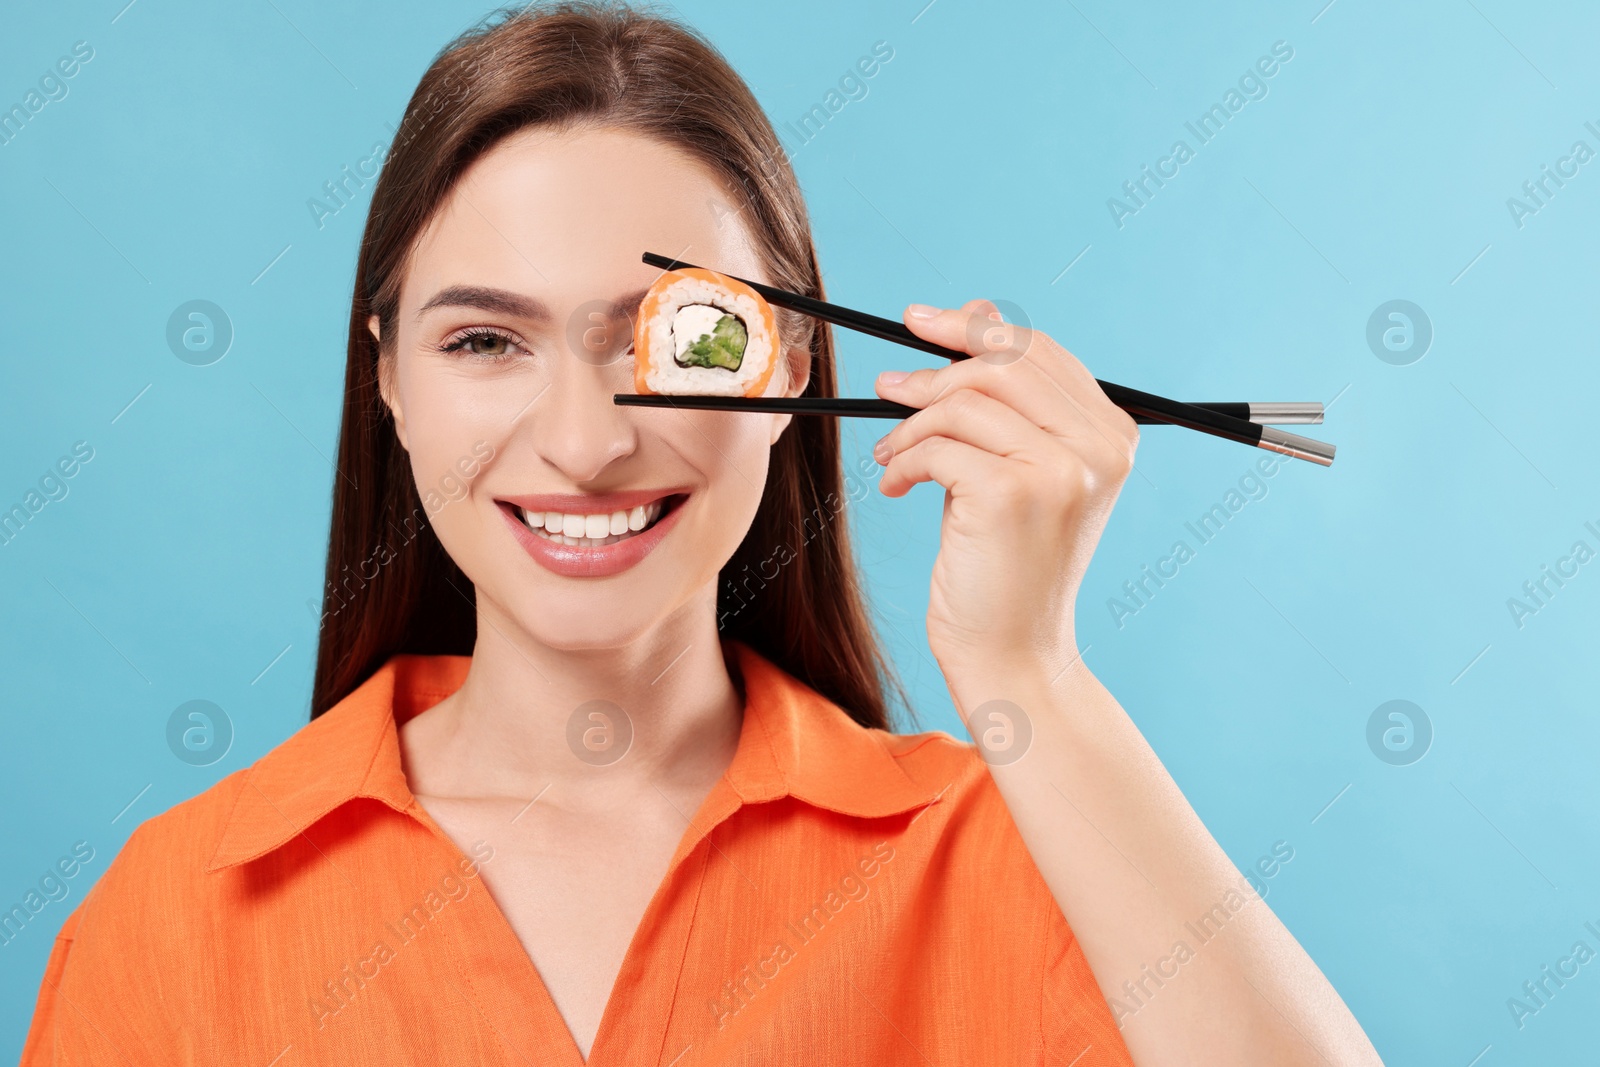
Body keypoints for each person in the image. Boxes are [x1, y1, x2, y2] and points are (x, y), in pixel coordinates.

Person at [21, 4, 1382, 1064]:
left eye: (677, 342)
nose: (584, 439)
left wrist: (1029, 673)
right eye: (485, 340)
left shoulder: (1015, 860)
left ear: (793, 367)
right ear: (384, 375)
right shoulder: (180, 914)